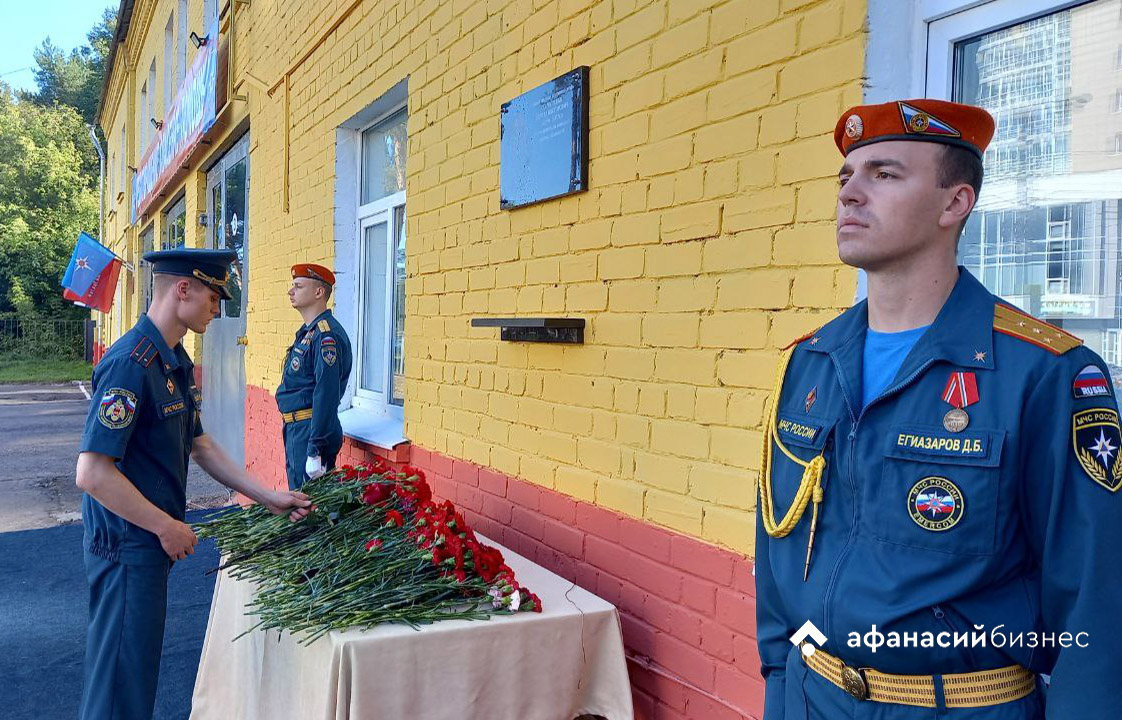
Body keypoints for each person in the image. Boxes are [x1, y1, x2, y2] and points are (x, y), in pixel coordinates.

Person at [754, 99, 1122, 718]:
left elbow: (1095, 596)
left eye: (885, 175)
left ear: (955, 204)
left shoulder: (1046, 372)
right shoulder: (810, 363)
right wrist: (779, 683)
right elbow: (779, 555)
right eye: (847, 177)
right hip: (810, 696)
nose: (850, 194)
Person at [75, 248, 313, 720]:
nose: (218, 308)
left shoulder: (173, 359)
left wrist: (268, 497)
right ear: (183, 289)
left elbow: (199, 445)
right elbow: (92, 473)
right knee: (121, 684)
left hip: (146, 544)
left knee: (132, 675)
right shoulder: (132, 363)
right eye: (213, 295)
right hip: (128, 545)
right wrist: (166, 526)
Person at [275, 263, 352, 490]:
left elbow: (326, 394)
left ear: (319, 292)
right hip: (297, 429)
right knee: (298, 504)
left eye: (298, 286)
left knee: (307, 510)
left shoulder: (326, 336)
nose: (291, 291)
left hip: (309, 431)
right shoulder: (308, 333)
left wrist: (314, 449)